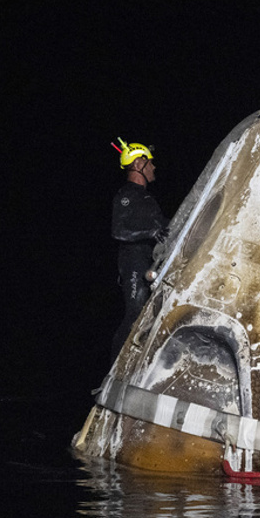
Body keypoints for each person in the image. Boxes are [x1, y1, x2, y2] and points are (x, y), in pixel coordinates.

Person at [111, 138, 168, 360]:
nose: (154, 167)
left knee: (150, 314)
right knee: (135, 313)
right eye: (150, 162)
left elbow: (164, 227)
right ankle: (114, 369)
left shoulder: (147, 198)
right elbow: (118, 231)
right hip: (133, 261)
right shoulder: (127, 194)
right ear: (138, 165)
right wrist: (150, 233)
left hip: (149, 262)